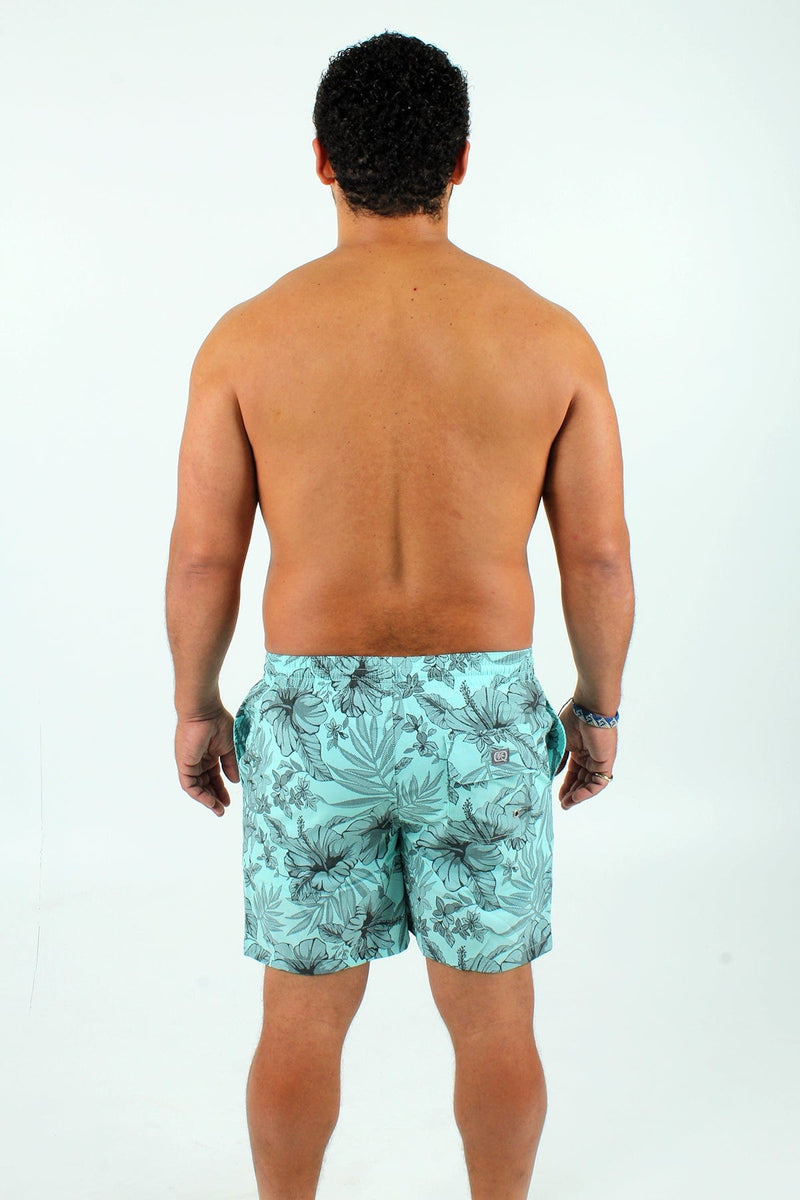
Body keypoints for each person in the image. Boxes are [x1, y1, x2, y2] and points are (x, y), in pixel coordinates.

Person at [165, 29, 634, 1200]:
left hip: (313, 718)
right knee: (495, 1016)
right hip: (483, 717)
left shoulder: (245, 339)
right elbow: (596, 553)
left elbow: (206, 553)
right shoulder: (549, 338)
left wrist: (195, 706)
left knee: (296, 1018)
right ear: (459, 163)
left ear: (321, 160)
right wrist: (596, 709)